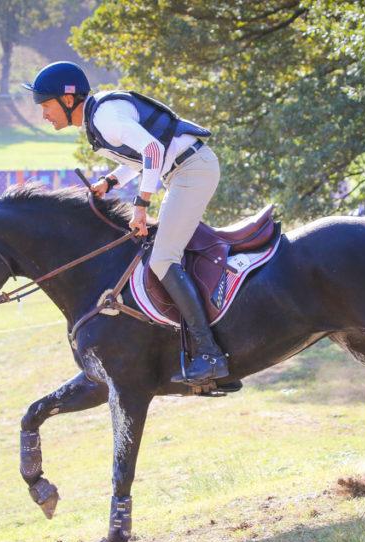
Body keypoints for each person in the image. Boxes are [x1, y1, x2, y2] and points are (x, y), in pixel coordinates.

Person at [23, 61, 227, 386]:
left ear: (68, 99)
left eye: (46, 105)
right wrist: (110, 181)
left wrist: (141, 204)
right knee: (158, 254)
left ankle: (210, 354)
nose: (44, 114)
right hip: (184, 171)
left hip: (192, 170)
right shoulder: (99, 119)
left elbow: (153, 150)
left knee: (162, 258)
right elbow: (141, 158)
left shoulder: (105, 118)